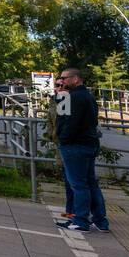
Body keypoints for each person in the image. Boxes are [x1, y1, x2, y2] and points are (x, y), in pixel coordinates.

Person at [54, 68, 107, 232]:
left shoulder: (75, 97)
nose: (61, 81)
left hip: (75, 146)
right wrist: (60, 95)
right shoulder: (87, 96)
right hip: (88, 144)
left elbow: (66, 121)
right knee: (90, 183)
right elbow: (63, 114)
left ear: (76, 79)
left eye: (64, 78)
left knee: (78, 185)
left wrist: (63, 139)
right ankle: (100, 220)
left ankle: (81, 220)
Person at [49, 75, 75, 221]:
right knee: (68, 178)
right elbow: (51, 119)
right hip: (60, 143)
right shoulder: (55, 100)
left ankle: (75, 212)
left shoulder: (66, 99)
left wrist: (60, 137)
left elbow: (64, 123)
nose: (59, 88)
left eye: (62, 85)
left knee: (73, 180)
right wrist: (51, 134)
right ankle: (71, 210)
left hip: (67, 144)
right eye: (57, 85)